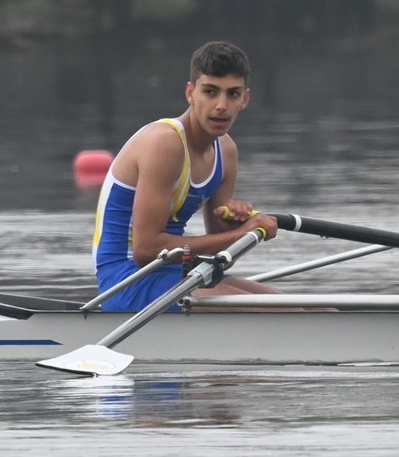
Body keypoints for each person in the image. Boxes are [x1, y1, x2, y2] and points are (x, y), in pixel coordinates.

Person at [92, 40, 281, 311]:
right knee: (280, 311)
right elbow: (145, 251)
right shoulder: (164, 144)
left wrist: (236, 226)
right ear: (191, 93)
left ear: (245, 99)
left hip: (179, 273)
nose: (221, 106)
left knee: (316, 311)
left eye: (233, 94)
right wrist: (241, 233)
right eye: (210, 92)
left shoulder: (226, 151)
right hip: (126, 280)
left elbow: (220, 251)